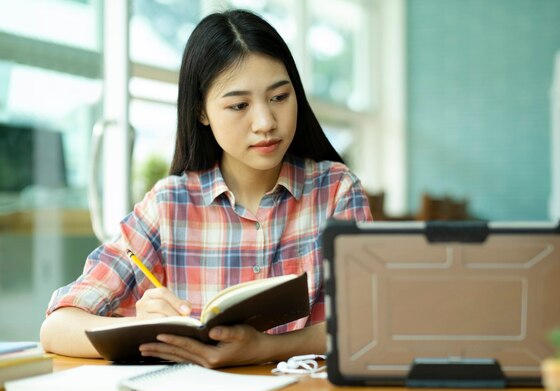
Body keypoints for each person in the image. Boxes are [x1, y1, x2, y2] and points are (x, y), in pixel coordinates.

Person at [40, 9, 372, 368]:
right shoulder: (169, 205)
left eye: (279, 97)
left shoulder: (335, 189)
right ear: (202, 111)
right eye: (239, 105)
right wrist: (141, 327)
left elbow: (369, 322)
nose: (265, 122)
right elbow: (56, 327)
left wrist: (265, 348)